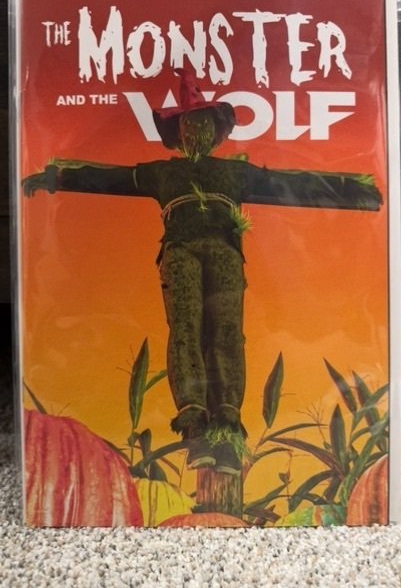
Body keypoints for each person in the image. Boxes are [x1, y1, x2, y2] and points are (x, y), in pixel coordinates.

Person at [23, 69, 382, 475]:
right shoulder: (163, 173)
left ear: (215, 131)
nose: (196, 131)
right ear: (178, 132)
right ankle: (195, 428)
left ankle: (226, 429)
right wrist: (56, 177)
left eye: (203, 124)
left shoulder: (234, 173)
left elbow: (292, 183)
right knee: (186, 331)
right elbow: (111, 177)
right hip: (179, 253)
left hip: (225, 255)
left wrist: (356, 189)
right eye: (189, 124)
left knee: (227, 333)